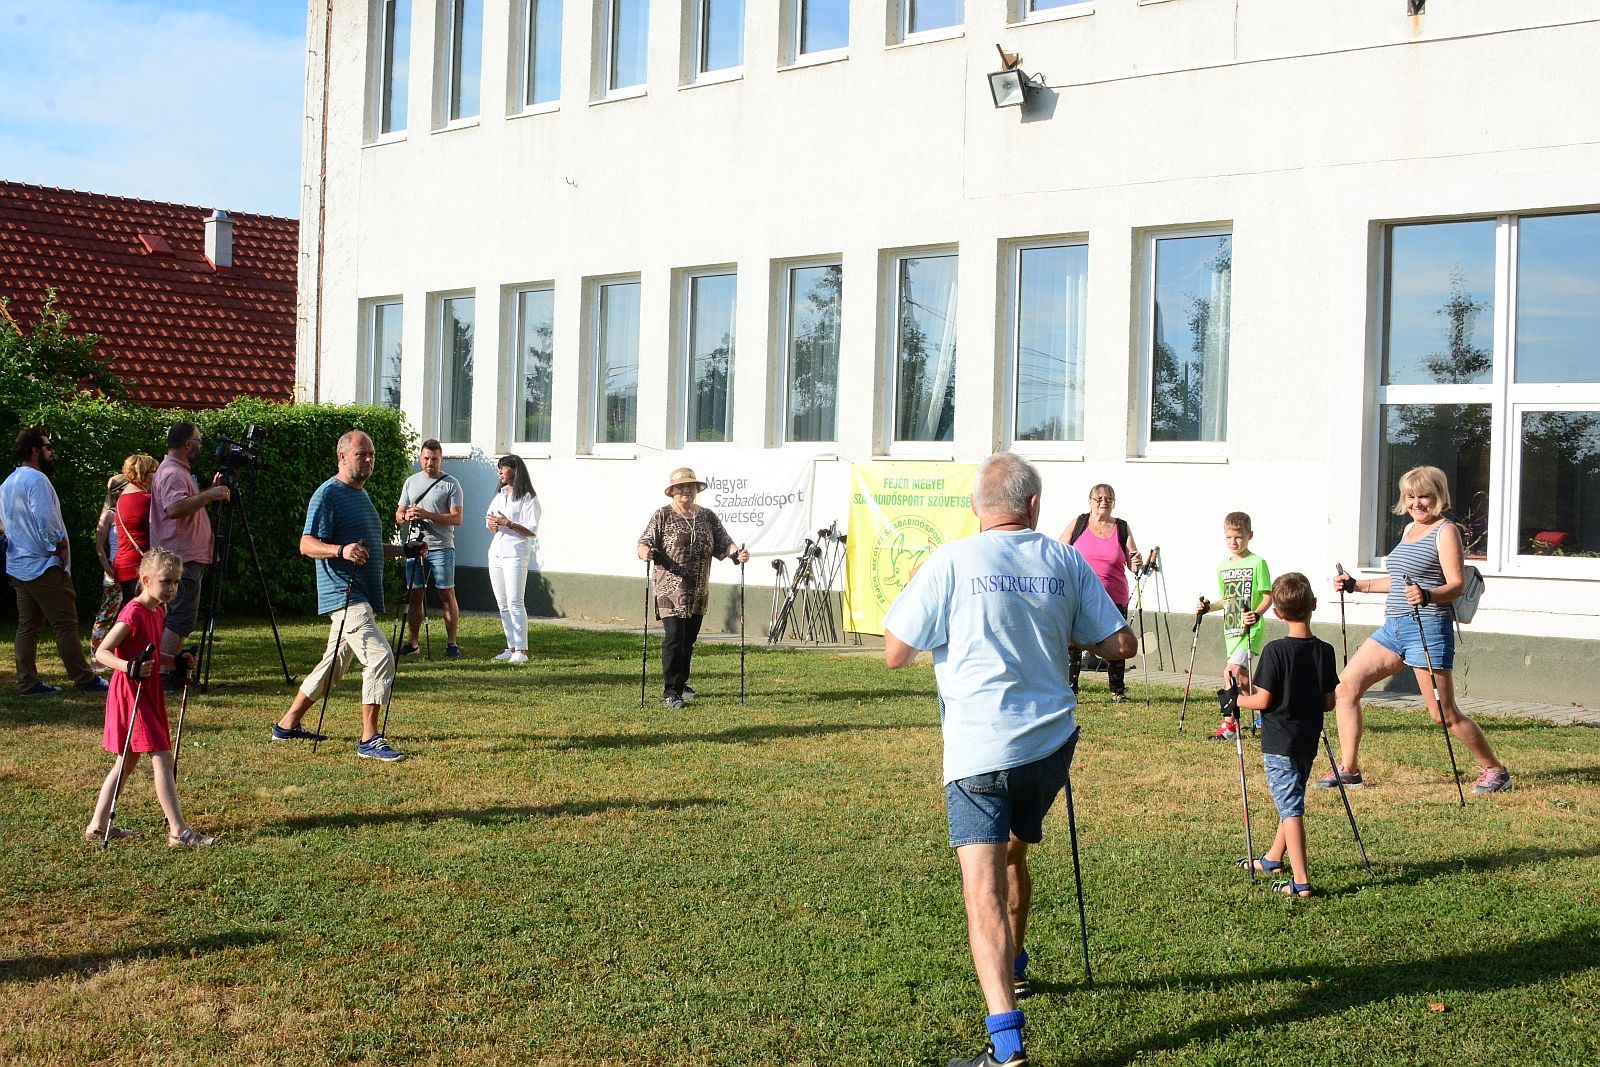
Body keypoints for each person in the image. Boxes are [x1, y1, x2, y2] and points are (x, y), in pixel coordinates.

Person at [882, 452, 1137, 1067]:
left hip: (979, 752)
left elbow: (896, 652)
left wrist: (919, 586)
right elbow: (1122, 644)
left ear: (975, 507)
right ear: (1034, 505)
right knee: (1015, 850)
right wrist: (1061, 623)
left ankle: (1005, 1047)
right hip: (1048, 749)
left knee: (982, 891)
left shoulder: (950, 561)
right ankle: (1016, 961)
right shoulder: (1064, 560)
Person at [1320, 465, 1512, 794]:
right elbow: (1399, 580)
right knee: (1346, 688)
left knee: (1443, 714)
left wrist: (1428, 595)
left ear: (1438, 496)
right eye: (1410, 496)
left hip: (1429, 628)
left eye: (1424, 496)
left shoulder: (1445, 531)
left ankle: (1495, 770)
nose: (1416, 503)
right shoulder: (1409, 529)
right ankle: (1349, 770)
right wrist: (1356, 585)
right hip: (1393, 628)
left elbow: (1456, 584)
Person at [271, 430, 422, 761]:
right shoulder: (328, 494)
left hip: (361, 592)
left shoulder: (361, 496)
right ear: (342, 457)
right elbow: (306, 544)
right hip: (344, 593)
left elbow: (369, 548)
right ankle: (369, 738)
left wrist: (404, 550)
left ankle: (286, 725)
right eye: (360, 454)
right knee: (380, 656)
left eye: (371, 454)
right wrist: (341, 550)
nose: (368, 460)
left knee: (333, 665)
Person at [84, 547, 215, 847]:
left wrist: (176, 660)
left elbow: (153, 656)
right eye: (166, 581)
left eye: (176, 582)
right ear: (146, 580)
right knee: (162, 757)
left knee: (127, 760)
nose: (172, 588)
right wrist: (129, 666)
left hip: (148, 689)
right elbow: (102, 652)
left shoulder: (157, 611)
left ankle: (97, 826)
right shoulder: (133, 612)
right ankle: (179, 832)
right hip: (132, 692)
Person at [1232, 573, 1338, 898]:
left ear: (1276, 613)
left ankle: (1301, 881)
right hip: (1308, 739)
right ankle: (1273, 859)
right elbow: (1329, 702)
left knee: (1290, 807)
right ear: (1314, 605)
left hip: (1279, 742)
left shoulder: (1275, 651)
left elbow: (1262, 701)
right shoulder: (1325, 651)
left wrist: (1235, 699)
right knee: (1291, 798)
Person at [0, 427, 106, 695]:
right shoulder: (37, 480)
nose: (52, 452)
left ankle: (28, 682)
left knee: (28, 626)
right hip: (43, 565)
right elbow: (45, 518)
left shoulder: (9, 481)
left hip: (19, 564)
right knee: (65, 624)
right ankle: (84, 679)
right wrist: (59, 545)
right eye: (48, 447)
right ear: (35, 450)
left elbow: (4, 523)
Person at [636, 467, 750, 709]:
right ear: (672, 491)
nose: (685, 490)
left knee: (688, 640)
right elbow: (645, 542)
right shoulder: (662, 515)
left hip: (698, 590)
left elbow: (724, 542)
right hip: (670, 590)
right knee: (674, 638)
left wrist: (737, 554)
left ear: (697, 490)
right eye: (680, 487)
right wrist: (644, 552)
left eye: (690, 486)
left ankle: (681, 683)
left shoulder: (707, 516)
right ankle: (671, 690)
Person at [149, 423, 229, 692]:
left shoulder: (175, 471)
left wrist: (206, 492)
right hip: (181, 557)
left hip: (182, 555)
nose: (201, 446)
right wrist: (209, 495)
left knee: (180, 616)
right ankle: (163, 675)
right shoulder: (173, 472)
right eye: (199, 441)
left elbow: (184, 504)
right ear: (188, 444)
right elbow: (174, 509)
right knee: (180, 617)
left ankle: (170, 671)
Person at [1059, 483, 1142, 702]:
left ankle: (1117, 691)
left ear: (1114, 503)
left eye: (1108, 499)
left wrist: (1137, 562)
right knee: (1072, 643)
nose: (1103, 502)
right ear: (1090, 502)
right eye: (1099, 498)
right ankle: (1070, 689)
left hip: (1113, 596)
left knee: (1117, 642)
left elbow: (1133, 562)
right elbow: (1059, 551)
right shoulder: (1079, 524)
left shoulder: (1121, 527)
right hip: (1080, 595)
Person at [1194, 511, 1273, 741]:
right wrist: (1208, 607)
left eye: (1238, 537)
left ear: (1250, 535)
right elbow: (1227, 599)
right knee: (1244, 681)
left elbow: (1268, 596)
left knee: (1229, 673)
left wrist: (1256, 614)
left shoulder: (1258, 563)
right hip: (1231, 629)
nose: (1233, 542)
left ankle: (1229, 724)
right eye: (1229, 537)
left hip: (1250, 630)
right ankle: (1269, 714)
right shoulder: (1222, 567)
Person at [395, 439, 464, 658]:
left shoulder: (451, 484)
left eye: (434, 459)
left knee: (446, 593)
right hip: (415, 546)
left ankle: (452, 643)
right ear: (420, 458)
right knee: (415, 594)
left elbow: (457, 518)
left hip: (441, 547)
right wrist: (407, 516)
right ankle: (413, 643)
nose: (430, 463)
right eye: (426, 458)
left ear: (441, 460)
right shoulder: (411, 482)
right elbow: (398, 515)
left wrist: (428, 515)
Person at [485, 454, 541, 664]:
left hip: (515, 552)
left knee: (515, 601)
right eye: (499, 468)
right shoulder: (500, 495)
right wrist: (492, 524)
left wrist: (508, 523)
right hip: (497, 552)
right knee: (502, 603)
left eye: (504, 467)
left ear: (515, 470)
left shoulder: (528, 497)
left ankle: (521, 650)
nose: (500, 471)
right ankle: (511, 647)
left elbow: (531, 529)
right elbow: (490, 519)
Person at [109, 453, 158, 603]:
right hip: (139, 567)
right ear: (142, 474)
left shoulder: (121, 499)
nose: (157, 476)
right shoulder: (146, 500)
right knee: (145, 612)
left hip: (123, 565)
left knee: (131, 609)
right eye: (154, 471)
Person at [90, 473, 128, 657]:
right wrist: (107, 568)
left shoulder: (128, 511)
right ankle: (97, 653)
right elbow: (99, 545)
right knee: (107, 612)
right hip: (114, 568)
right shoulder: (109, 515)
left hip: (129, 566)